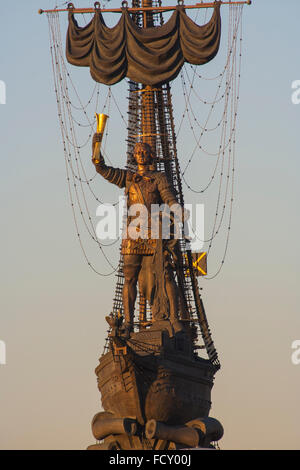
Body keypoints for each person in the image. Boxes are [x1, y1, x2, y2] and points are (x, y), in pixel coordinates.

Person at [92, 134, 183, 335]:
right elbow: (103, 170)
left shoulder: (159, 178)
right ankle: (128, 323)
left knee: (166, 274)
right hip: (133, 233)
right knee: (129, 278)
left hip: (155, 231)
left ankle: (174, 318)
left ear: (151, 155)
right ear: (134, 156)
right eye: (138, 152)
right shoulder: (128, 178)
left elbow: (169, 198)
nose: (141, 154)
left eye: (145, 151)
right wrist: (96, 146)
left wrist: (177, 210)